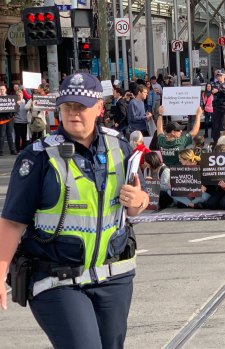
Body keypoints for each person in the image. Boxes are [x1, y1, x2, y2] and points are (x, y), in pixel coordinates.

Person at [0, 72, 147, 348]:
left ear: (100, 108)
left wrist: (138, 201)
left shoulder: (121, 147)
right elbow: (12, 221)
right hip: (56, 280)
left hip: (113, 277)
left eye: (81, 107)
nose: (73, 113)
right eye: (67, 106)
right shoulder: (38, 156)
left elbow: (139, 204)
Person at [211, 70, 225, 143]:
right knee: (216, 125)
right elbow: (214, 92)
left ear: (224, 76)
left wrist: (219, 90)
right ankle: (216, 141)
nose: (219, 77)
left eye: (221, 75)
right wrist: (221, 91)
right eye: (218, 75)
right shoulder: (214, 84)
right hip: (217, 107)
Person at [0, 84, 16, 155]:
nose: (2, 90)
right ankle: (0, 151)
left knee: (10, 135)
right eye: (0, 89)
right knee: (2, 135)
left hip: (9, 119)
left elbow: (14, 108)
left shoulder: (10, 98)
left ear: (5, 90)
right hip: (1, 119)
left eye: (3, 89)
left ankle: (12, 150)